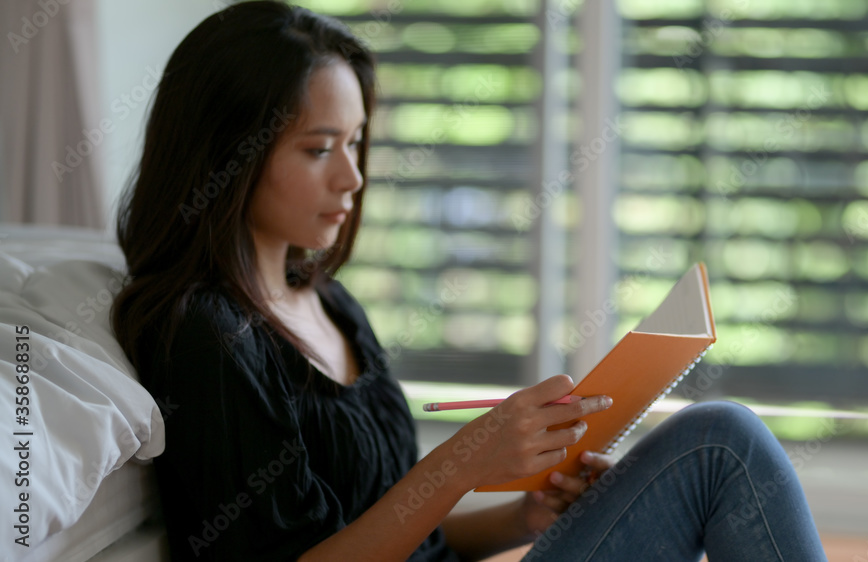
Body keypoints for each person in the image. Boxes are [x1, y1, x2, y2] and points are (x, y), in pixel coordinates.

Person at [110, 2, 828, 560]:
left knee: (718, 441)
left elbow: (409, 538)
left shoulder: (329, 303)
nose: (352, 176)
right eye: (318, 148)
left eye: (356, 143)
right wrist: (460, 462)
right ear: (228, 154)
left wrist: (527, 516)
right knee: (720, 442)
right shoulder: (205, 335)